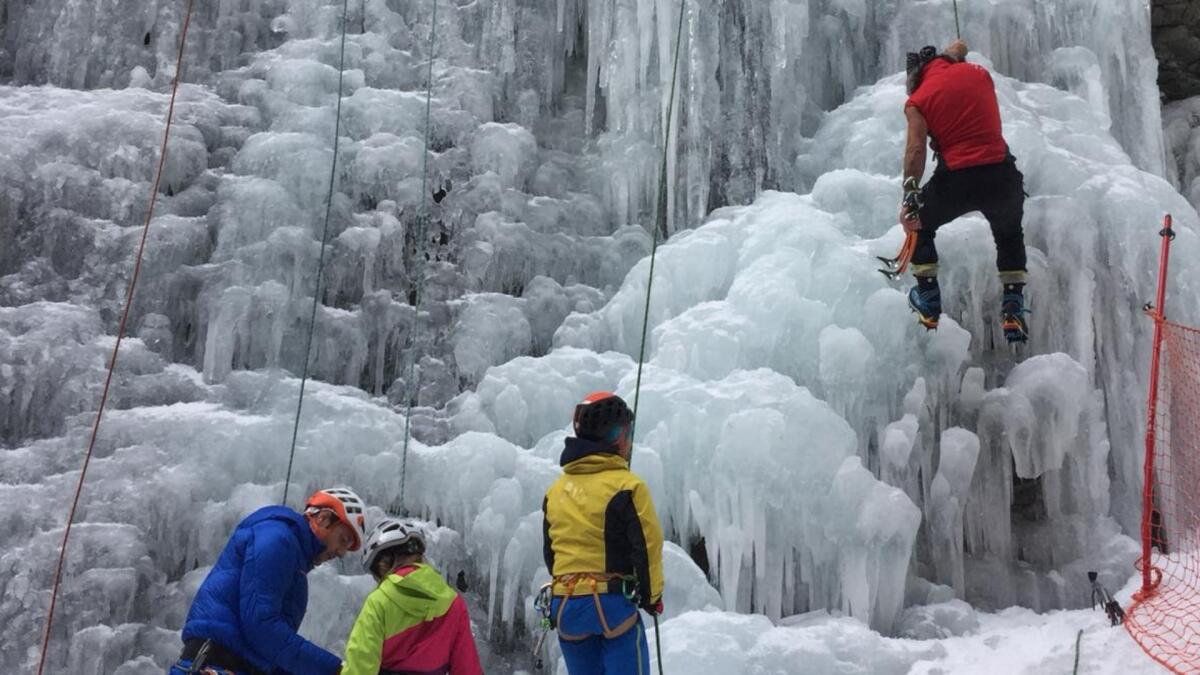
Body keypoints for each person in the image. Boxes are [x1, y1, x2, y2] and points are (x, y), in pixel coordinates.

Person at [900, 39, 1030, 343]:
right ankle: (1013, 307)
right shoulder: (978, 73)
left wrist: (910, 194)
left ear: (915, 76)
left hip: (957, 178)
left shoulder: (917, 101)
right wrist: (956, 49)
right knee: (1009, 234)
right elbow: (955, 52)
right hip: (1002, 175)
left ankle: (929, 300)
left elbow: (916, 150)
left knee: (920, 224)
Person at [169, 488, 367, 675]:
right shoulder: (277, 540)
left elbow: (271, 653)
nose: (341, 553)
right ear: (323, 518)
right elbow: (261, 627)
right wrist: (333, 669)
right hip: (215, 664)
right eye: (343, 539)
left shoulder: (295, 565)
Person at [542, 392, 665, 675]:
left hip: (566, 607)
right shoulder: (627, 486)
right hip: (610, 604)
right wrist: (651, 596)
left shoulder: (556, 490)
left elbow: (551, 554)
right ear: (618, 436)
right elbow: (647, 547)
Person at [342, 518, 483, 675]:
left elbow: (359, 668)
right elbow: (467, 669)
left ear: (383, 565)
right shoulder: (453, 602)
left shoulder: (379, 602)